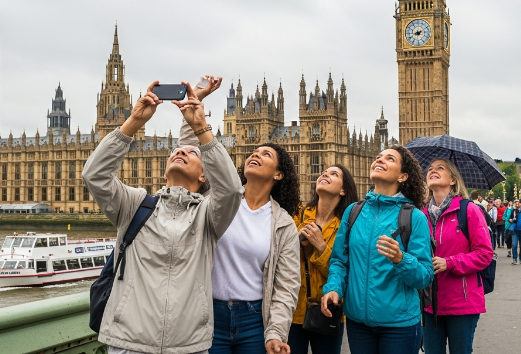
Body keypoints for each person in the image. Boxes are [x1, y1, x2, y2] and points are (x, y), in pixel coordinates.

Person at [82, 81, 244, 354]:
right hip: (128, 343)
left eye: (192, 152)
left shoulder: (207, 216)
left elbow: (231, 190)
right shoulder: (135, 205)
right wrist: (133, 122)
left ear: (205, 175)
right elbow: (94, 175)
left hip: (187, 347)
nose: (181, 151)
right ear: (164, 169)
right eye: (177, 151)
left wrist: (202, 129)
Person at [190, 77, 301, 354]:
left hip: (254, 321)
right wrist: (196, 106)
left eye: (266, 153)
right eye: (254, 151)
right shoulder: (219, 197)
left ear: (279, 174)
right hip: (208, 316)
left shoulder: (284, 224)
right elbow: (192, 156)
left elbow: (286, 286)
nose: (255, 152)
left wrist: (275, 333)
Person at [321, 147, 433, 354]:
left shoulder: (414, 217)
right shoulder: (354, 211)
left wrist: (401, 259)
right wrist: (333, 288)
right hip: (358, 324)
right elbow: (339, 261)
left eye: (389, 159)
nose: (380, 160)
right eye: (378, 157)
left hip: (399, 326)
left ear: (402, 176)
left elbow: (425, 276)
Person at [421, 159, 493, 354]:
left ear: (453, 180)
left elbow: (485, 254)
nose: (432, 171)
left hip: (462, 302)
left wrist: (449, 263)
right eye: (430, 169)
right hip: (429, 303)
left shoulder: (468, 210)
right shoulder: (420, 215)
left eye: (440, 168)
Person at [289, 165, 358, 354]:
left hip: (329, 312)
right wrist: (296, 243)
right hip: (292, 310)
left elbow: (346, 274)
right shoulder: (297, 216)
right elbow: (281, 262)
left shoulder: (349, 226)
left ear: (343, 190)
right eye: (323, 172)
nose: (325, 174)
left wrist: (320, 247)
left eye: (334, 174)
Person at [509, 200, 521, 265]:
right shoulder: (513, 211)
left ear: (520, 204)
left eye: (518, 204)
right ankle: (514, 259)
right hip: (515, 230)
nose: (517, 205)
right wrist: (510, 220)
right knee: (514, 245)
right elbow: (510, 218)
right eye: (515, 204)